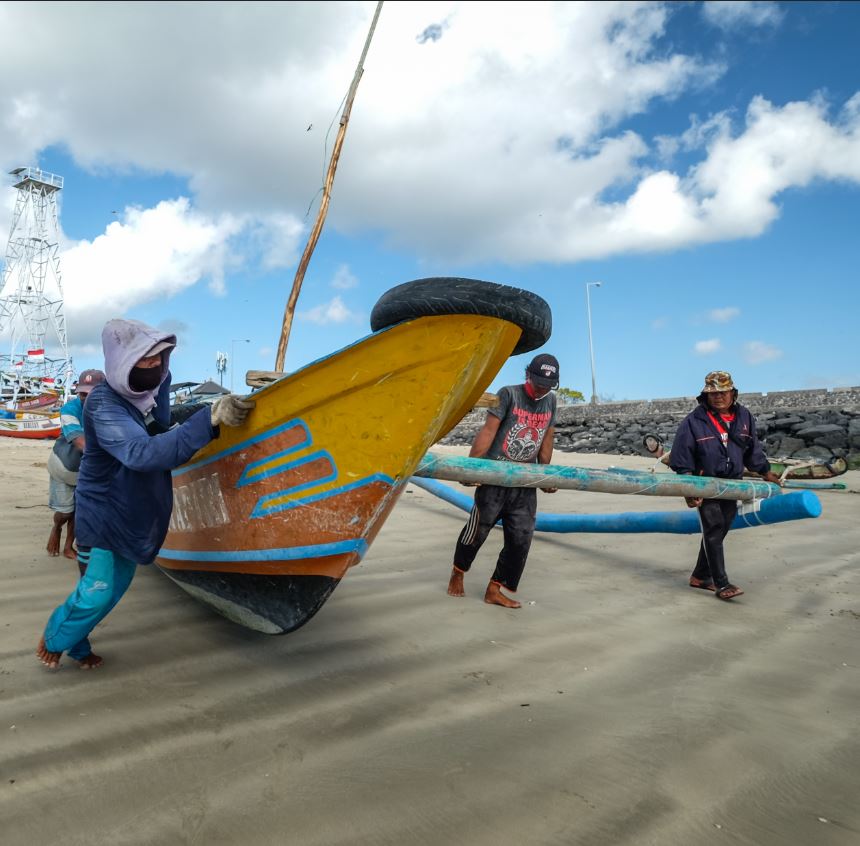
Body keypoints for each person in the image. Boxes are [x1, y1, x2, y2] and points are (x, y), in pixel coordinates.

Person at [36, 318, 254, 670]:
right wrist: (208, 420)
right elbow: (142, 453)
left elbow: (162, 429)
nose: (154, 368)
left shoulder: (150, 392)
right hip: (103, 513)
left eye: (159, 361)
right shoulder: (103, 405)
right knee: (96, 590)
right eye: (144, 362)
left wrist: (209, 415)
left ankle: (77, 644)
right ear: (123, 363)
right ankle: (55, 639)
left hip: (135, 510)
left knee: (114, 589)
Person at [446, 353, 560, 609]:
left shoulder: (550, 402)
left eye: (547, 385)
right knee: (477, 530)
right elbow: (489, 431)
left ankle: (494, 589)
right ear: (528, 374)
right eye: (538, 382)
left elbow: (546, 439)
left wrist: (545, 474)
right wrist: (472, 468)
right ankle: (458, 571)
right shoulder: (509, 394)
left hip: (523, 483)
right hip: (495, 478)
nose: (542, 388)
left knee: (521, 538)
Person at [669, 371, 782, 601]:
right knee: (713, 528)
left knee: (720, 530)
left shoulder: (744, 416)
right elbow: (682, 457)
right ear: (705, 395)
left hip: (733, 484)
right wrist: (689, 488)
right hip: (705, 482)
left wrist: (764, 471)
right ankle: (721, 583)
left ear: (733, 393)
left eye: (723, 392)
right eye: (713, 393)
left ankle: (700, 576)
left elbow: (752, 449)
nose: (718, 397)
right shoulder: (694, 421)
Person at [46, 369, 106, 567]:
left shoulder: (110, 409)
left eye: (93, 394)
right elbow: (80, 442)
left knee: (79, 510)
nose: (87, 399)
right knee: (65, 512)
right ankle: (56, 529)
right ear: (78, 393)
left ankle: (68, 547)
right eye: (83, 394)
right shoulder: (69, 410)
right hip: (64, 466)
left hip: (87, 471)